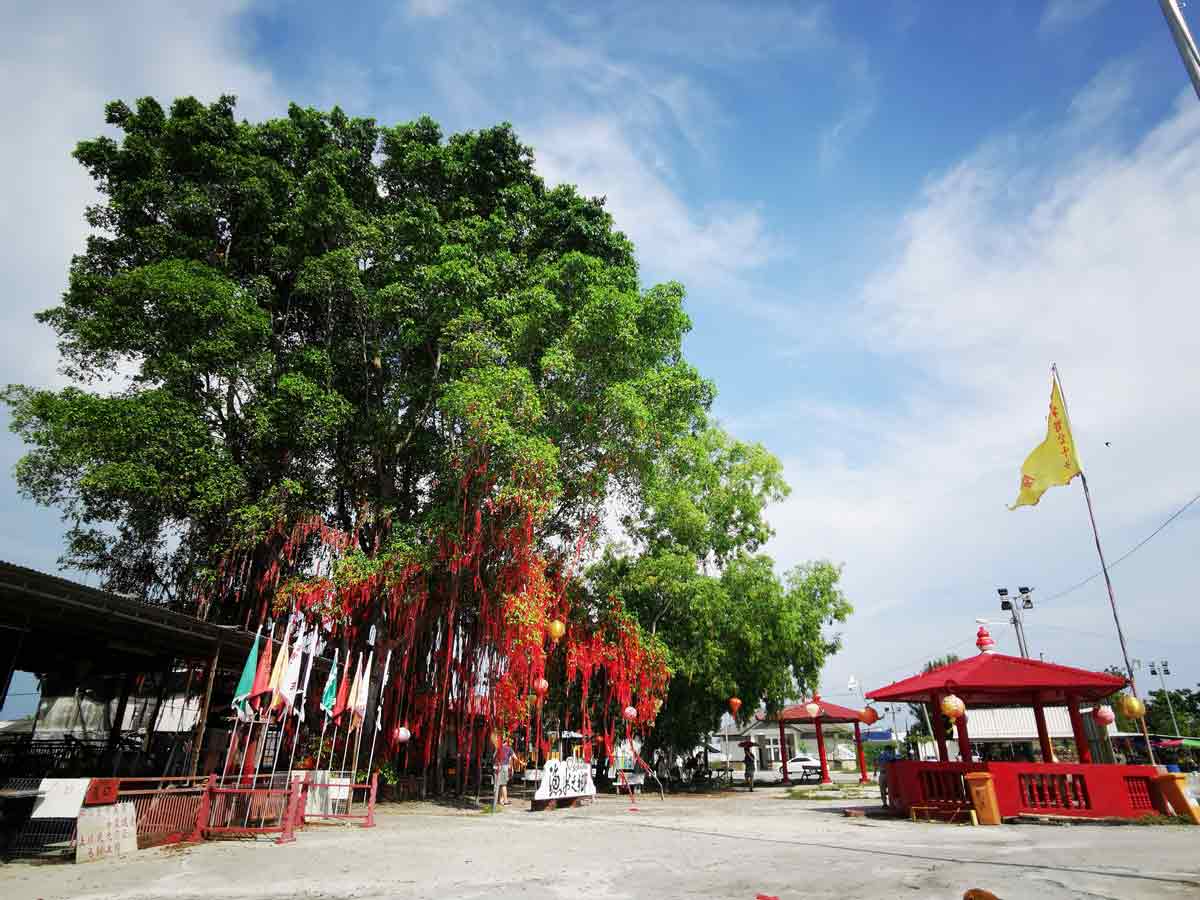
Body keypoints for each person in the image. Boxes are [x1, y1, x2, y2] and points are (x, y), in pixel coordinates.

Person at [496, 738, 515, 806]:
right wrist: (521, 762)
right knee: (504, 784)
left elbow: (494, 757)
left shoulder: (499, 748)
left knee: (501, 783)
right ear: (507, 742)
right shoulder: (509, 748)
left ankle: (500, 800)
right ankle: (506, 801)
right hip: (504, 767)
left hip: (499, 767)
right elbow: (515, 757)